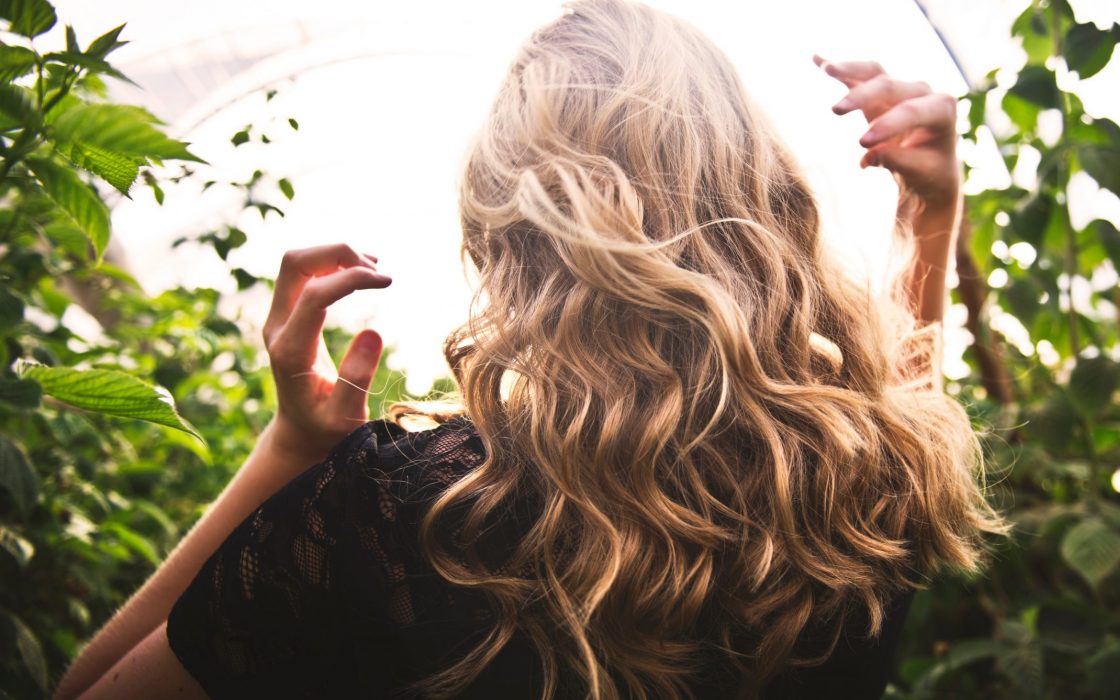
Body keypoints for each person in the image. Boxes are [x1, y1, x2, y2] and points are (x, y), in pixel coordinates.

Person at [54, 0, 1000, 697]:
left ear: (507, 232)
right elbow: (901, 399)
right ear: (759, 193)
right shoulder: (872, 484)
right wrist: (928, 213)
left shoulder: (403, 516)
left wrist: (292, 454)